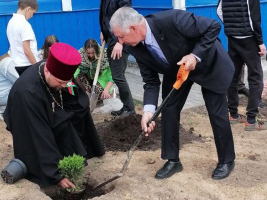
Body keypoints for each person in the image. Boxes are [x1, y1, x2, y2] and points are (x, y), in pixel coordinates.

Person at [110, 7, 236, 180]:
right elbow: (151, 81)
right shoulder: (134, 47)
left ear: (133, 28)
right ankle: (173, 160)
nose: (120, 41)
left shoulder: (172, 19)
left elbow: (213, 26)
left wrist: (194, 56)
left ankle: (227, 160)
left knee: (216, 112)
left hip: (207, 63)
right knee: (168, 109)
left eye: (121, 37)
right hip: (177, 70)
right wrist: (148, 111)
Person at [3, 42, 105, 188]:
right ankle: (49, 166)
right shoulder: (26, 93)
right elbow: (39, 135)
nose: (63, 85)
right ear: (47, 72)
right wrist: (56, 174)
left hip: (46, 108)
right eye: (60, 82)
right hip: (25, 119)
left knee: (73, 113)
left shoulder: (54, 70)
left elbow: (68, 91)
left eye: (66, 81)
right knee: (46, 135)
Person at [217, 0, 266, 130]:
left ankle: (233, 115)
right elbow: (254, 18)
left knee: (232, 76)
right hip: (248, 39)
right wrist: (260, 42)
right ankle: (251, 120)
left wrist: (231, 28)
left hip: (233, 38)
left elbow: (219, 11)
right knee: (256, 77)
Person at [99, 0, 135, 116]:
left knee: (118, 76)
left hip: (119, 42)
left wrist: (121, 42)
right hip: (111, 40)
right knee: (116, 75)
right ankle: (126, 107)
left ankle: (130, 109)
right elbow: (107, 16)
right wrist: (104, 32)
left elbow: (127, 16)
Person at [7, 0, 40, 76]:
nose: (32, 16)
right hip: (27, 64)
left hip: (16, 64)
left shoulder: (11, 22)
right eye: (33, 13)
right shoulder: (24, 25)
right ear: (28, 9)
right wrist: (36, 67)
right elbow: (27, 50)